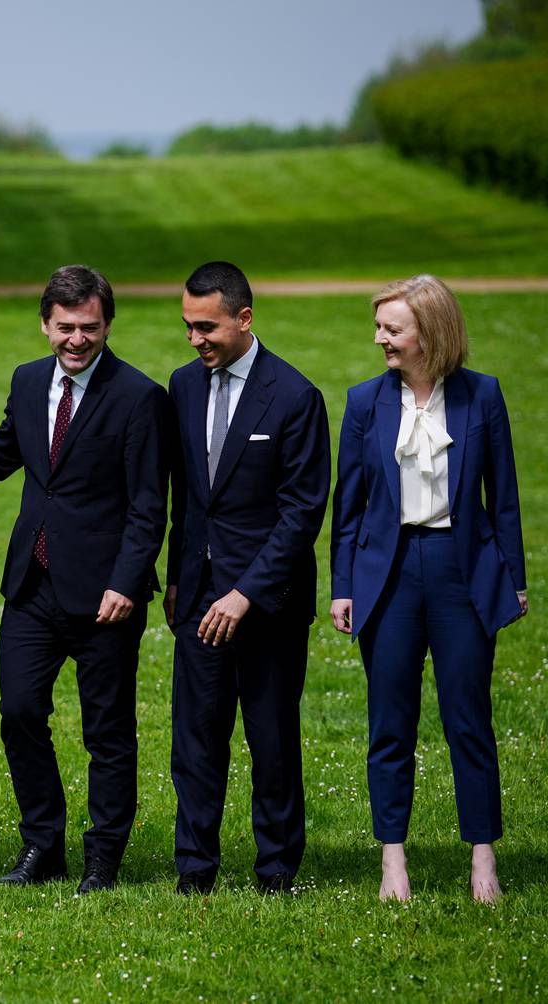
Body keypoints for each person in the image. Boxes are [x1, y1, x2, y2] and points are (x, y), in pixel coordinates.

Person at [330, 276, 527, 904]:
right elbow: (350, 509)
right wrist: (343, 586)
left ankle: (483, 859)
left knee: (469, 720)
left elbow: (507, 502)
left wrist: (513, 580)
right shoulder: (364, 402)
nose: (381, 338)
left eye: (393, 328)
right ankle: (393, 860)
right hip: (386, 577)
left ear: (431, 333)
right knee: (391, 723)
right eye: (380, 327)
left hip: (460, 571)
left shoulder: (482, 397)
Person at [0, 265, 170, 895]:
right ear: (45, 324)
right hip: (32, 584)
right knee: (18, 710)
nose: (76, 339)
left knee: (107, 730)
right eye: (65, 327)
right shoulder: (29, 379)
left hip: (105, 596)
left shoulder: (140, 397)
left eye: (89, 327)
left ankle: (103, 855)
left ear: (107, 325)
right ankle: (43, 843)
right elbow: (1, 454)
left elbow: (149, 506)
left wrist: (127, 580)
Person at [164, 261, 330, 896]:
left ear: (244, 318)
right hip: (198, 597)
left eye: (207, 327)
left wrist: (245, 593)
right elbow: (188, 497)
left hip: (268, 604)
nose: (196, 339)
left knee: (272, 739)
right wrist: (182, 576)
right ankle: (194, 869)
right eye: (187, 327)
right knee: (196, 739)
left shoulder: (294, 396)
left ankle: (277, 869)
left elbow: (301, 514)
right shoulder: (182, 386)